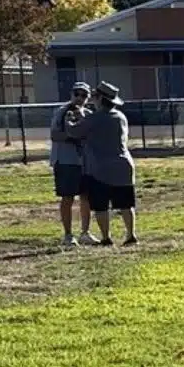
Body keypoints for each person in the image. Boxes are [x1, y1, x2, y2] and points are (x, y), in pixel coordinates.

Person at [64, 80, 138, 246]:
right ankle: (131, 235)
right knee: (126, 204)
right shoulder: (120, 117)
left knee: (101, 206)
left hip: (100, 169)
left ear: (100, 99)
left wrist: (69, 120)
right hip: (124, 165)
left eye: (95, 96)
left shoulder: (94, 119)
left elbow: (74, 131)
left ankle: (106, 237)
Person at [49, 82, 97, 246]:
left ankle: (85, 232)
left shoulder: (89, 114)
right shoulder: (62, 112)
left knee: (86, 197)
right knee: (67, 198)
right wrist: (73, 135)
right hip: (65, 161)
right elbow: (55, 135)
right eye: (77, 94)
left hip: (84, 162)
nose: (79, 98)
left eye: (84, 95)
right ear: (71, 94)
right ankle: (68, 235)